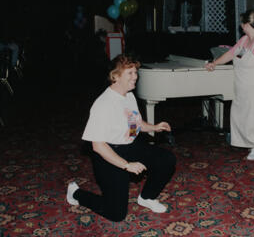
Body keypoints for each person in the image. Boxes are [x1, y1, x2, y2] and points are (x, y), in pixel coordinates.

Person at [66, 55, 176, 221]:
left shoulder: (129, 96)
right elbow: (98, 146)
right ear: (115, 76)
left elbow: (135, 124)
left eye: (136, 72)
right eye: (130, 73)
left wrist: (154, 127)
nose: (135, 77)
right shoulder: (103, 104)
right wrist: (126, 165)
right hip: (108, 155)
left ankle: (146, 198)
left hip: (129, 146)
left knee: (167, 159)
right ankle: (76, 193)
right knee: (116, 214)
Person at [205, 10, 254, 160]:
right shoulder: (244, 39)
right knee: (243, 117)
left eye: (241, 24)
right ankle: (253, 144)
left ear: (246, 24)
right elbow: (231, 53)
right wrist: (214, 63)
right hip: (243, 88)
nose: (241, 26)